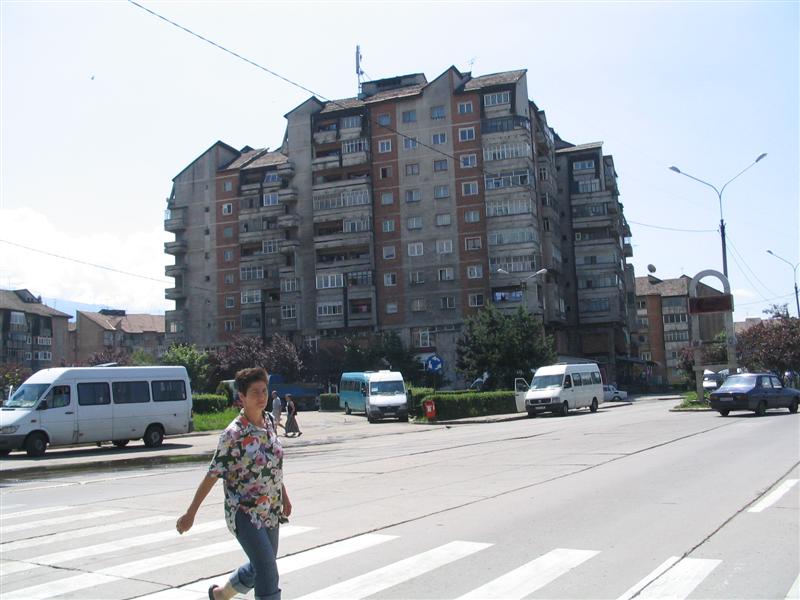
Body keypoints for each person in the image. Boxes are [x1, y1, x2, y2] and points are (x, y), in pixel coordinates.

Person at [176, 367, 292, 600]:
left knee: (262, 564)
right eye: (255, 392)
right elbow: (212, 475)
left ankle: (221, 594)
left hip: (270, 508)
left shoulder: (269, 422)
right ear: (242, 397)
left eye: (264, 390)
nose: (262, 396)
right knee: (267, 570)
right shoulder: (234, 434)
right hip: (244, 512)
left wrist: (285, 497)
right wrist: (190, 514)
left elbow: (272, 467)